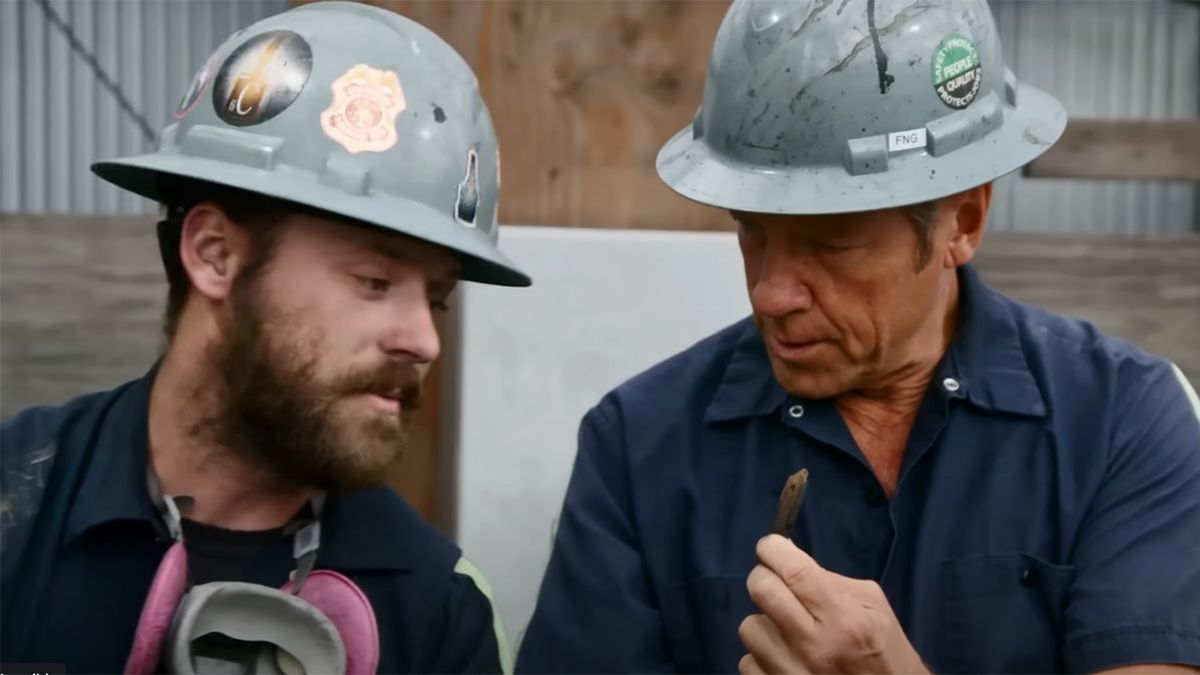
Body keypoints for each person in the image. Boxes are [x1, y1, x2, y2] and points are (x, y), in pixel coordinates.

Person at [515, 0, 1200, 673]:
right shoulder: (638, 449)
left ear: (962, 220)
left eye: (831, 242)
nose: (770, 293)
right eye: (751, 231)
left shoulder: (1121, 424)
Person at [0, 2, 529, 673]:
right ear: (216, 254)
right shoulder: (17, 512)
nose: (423, 340)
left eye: (437, 299)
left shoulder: (440, 609)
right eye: (374, 281)